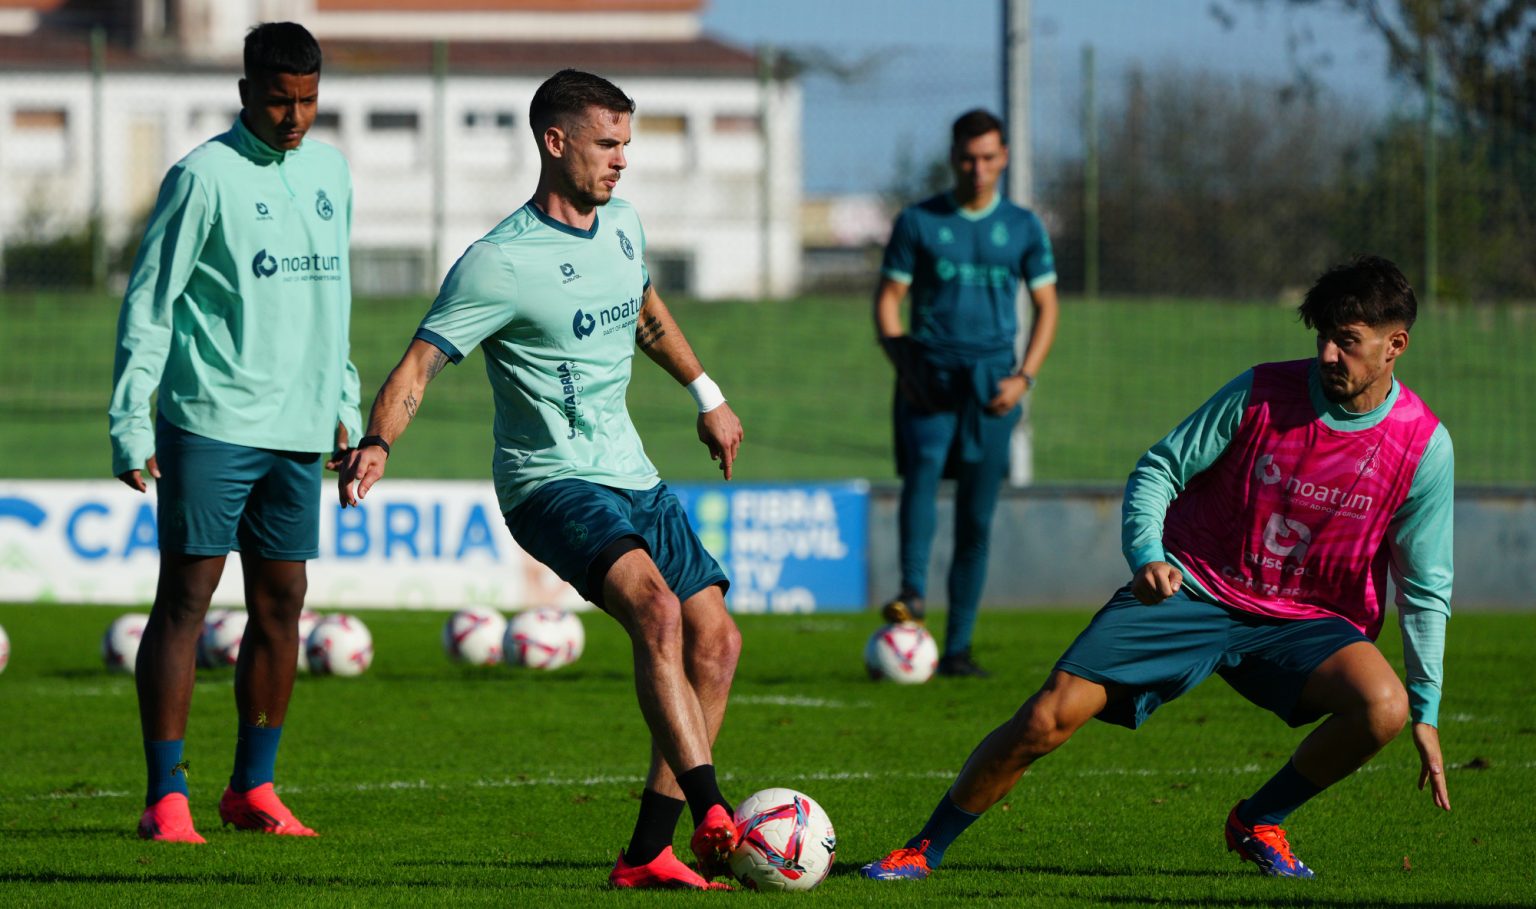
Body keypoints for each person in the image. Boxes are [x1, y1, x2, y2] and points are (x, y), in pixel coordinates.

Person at [861, 255, 1453, 881]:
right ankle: (924, 849)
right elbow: (1160, 468)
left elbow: (1424, 587)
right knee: (1045, 719)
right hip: (1195, 588)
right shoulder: (1261, 391)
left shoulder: (1422, 446)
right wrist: (1147, 555)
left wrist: (1427, 709)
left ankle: (1259, 819)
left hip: (1305, 621)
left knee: (1383, 707)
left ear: (1395, 345)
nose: (1329, 354)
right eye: (1324, 337)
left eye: (1348, 341)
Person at [336, 69, 745, 891]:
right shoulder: (499, 262)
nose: (622, 160)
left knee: (718, 640)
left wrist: (707, 394)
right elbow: (420, 363)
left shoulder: (623, 224)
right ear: (555, 142)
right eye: (607, 144)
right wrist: (378, 439)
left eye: (627, 144)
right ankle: (714, 812)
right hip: (549, 482)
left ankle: (647, 852)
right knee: (657, 611)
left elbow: (646, 313)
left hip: (632, 472)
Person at [109, 22, 360, 843]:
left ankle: (252, 786)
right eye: (280, 100)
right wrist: (130, 417)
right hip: (211, 418)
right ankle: (165, 795)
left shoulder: (330, 172)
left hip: (299, 428)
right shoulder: (202, 177)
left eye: (308, 100)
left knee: (283, 603)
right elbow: (151, 302)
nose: (295, 117)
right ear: (247, 92)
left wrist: (344, 400)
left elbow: (334, 301)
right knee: (186, 599)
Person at [875, 109, 1060, 677]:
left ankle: (957, 649)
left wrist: (1024, 378)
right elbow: (888, 302)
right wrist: (905, 365)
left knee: (975, 519)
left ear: (1003, 158)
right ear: (952, 158)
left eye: (987, 158)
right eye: (966, 158)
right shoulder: (918, 222)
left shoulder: (1023, 226)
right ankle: (912, 593)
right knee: (921, 481)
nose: (977, 169)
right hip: (929, 379)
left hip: (992, 388)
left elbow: (1048, 306)